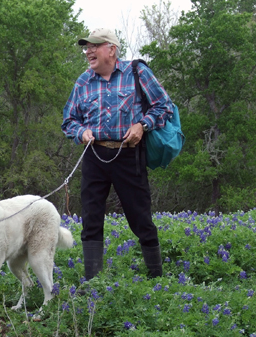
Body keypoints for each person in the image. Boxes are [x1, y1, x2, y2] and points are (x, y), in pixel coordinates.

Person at [61, 28, 174, 281]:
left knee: (141, 219)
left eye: (94, 46)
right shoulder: (83, 81)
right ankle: (93, 283)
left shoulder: (137, 72)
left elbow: (164, 106)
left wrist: (142, 125)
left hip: (128, 155)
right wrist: (82, 132)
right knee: (90, 220)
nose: (88, 51)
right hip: (94, 155)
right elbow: (68, 121)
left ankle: (156, 279)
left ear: (111, 49)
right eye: (86, 47)